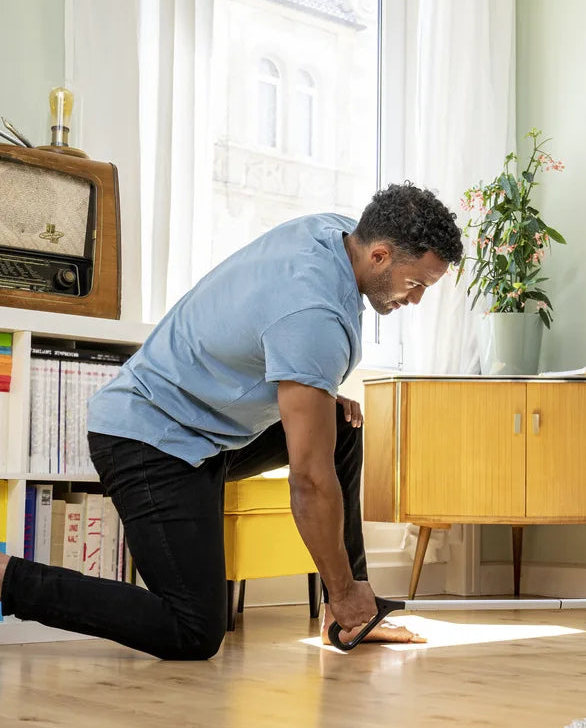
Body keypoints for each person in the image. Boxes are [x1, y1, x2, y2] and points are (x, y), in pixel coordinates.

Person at [0, 183, 464, 660]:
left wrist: (317, 389)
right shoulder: (314, 314)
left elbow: (270, 333)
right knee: (192, 630)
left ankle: (350, 615)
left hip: (209, 432)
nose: (416, 299)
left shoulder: (334, 233)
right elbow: (308, 481)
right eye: (417, 284)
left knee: (340, 427)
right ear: (381, 256)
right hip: (149, 438)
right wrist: (344, 588)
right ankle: (6, 578)